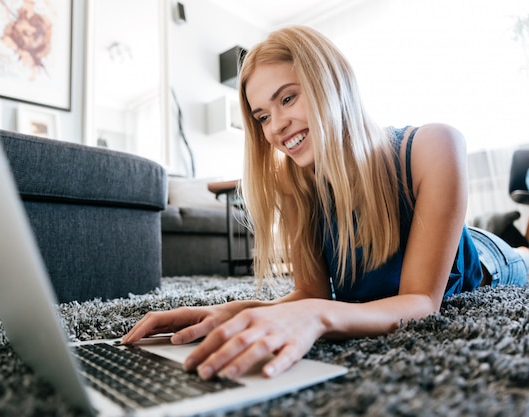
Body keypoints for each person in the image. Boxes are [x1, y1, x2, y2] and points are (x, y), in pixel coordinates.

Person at [122, 25, 527, 381]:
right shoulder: (294, 181)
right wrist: (232, 312)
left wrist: (318, 318)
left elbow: (421, 302)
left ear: (331, 84)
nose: (276, 127)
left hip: (486, 259)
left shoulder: (434, 145)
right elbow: (310, 293)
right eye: (261, 116)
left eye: (287, 99)